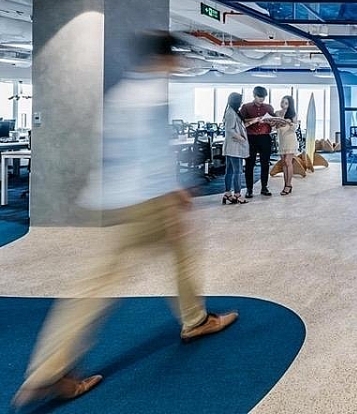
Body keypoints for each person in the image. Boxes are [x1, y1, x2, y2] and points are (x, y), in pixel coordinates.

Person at [13, 32, 238, 408]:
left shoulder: (121, 95)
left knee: (103, 280)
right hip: (147, 201)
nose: (179, 64)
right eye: (177, 58)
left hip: (117, 198)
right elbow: (152, 155)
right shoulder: (153, 97)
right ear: (166, 59)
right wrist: (174, 195)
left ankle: (48, 369)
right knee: (156, 263)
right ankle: (194, 320)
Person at [239, 86, 276, 198]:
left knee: (265, 164)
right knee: (249, 164)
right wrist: (255, 119)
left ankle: (264, 187)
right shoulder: (246, 107)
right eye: (260, 97)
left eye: (263, 97)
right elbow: (241, 123)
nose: (262, 99)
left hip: (265, 138)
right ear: (254, 95)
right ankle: (249, 189)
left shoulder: (269, 107)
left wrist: (272, 122)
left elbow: (274, 122)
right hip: (251, 138)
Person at [222, 91, 249, 204]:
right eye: (240, 101)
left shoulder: (232, 111)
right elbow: (230, 130)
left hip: (232, 147)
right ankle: (237, 194)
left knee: (229, 171)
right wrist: (241, 138)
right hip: (234, 147)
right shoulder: (231, 113)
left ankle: (227, 194)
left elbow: (237, 126)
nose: (241, 103)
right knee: (238, 171)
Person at [275, 95, 299, 195]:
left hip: (290, 139)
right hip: (281, 140)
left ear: (289, 105)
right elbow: (275, 127)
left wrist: (289, 123)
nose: (283, 104)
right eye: (282, 102)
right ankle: (286, 184)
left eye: (286, 103)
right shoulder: (277, 113)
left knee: (288, 161)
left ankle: (288, 185)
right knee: (283, 163)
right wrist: (277, 123)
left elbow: (295, 128)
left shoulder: (292, 114)